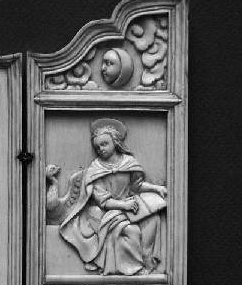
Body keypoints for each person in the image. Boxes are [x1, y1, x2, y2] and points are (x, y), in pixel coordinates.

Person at [59, 118, 168, 275]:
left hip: (129, 206)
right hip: (107, 211)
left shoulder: (129, 162)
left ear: (115, 142)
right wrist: (124, 205)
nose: (100, 149)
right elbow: (103, 201)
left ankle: (148, 260)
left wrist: (157, 188)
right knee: (131, 231)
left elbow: (136, 186)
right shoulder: (96, 169)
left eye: (104, 144)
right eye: (97, 147)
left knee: (153, 219)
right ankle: (133, 269)